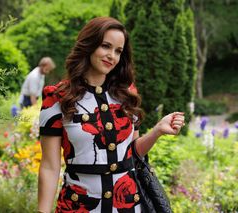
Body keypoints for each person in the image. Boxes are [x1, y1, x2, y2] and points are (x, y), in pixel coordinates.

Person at [38, 17, 185, 212]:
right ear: (89, 44)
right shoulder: (57, 98)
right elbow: (49, 167)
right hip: (79, 207)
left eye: (118, 51)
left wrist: (157, 131)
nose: (112, 56)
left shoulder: (126, 94)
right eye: (105, 46)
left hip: (128, 206)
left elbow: (132, 153)